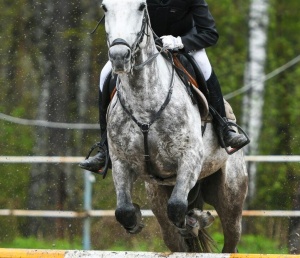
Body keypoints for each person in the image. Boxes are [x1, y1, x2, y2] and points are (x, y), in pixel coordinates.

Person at [79, 0, 249, 174]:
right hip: (144, 48)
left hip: (184, 46)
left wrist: (179, 42)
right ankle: (104, 148)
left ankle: (224, 129)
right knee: (104, 74)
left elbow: (210, 34)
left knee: (204, 68)